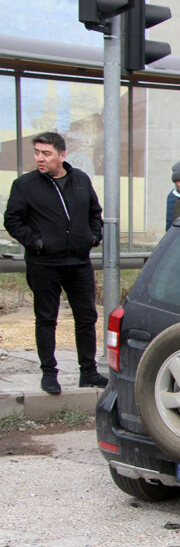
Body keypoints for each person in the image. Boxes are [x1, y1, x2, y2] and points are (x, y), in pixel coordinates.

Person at [3, 132, 108, 394]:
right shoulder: (25, 185)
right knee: (46, 319)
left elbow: (96, 212)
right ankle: (49, 373)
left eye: (46, 153)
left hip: (78, 261)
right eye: (37, 152)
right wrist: (36, 243)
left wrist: (94, 237)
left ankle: (89, 371)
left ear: (62, 155)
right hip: (44, 264)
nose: (40, 158)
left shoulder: (81, 180)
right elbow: (12, 220)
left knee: (86, 316)